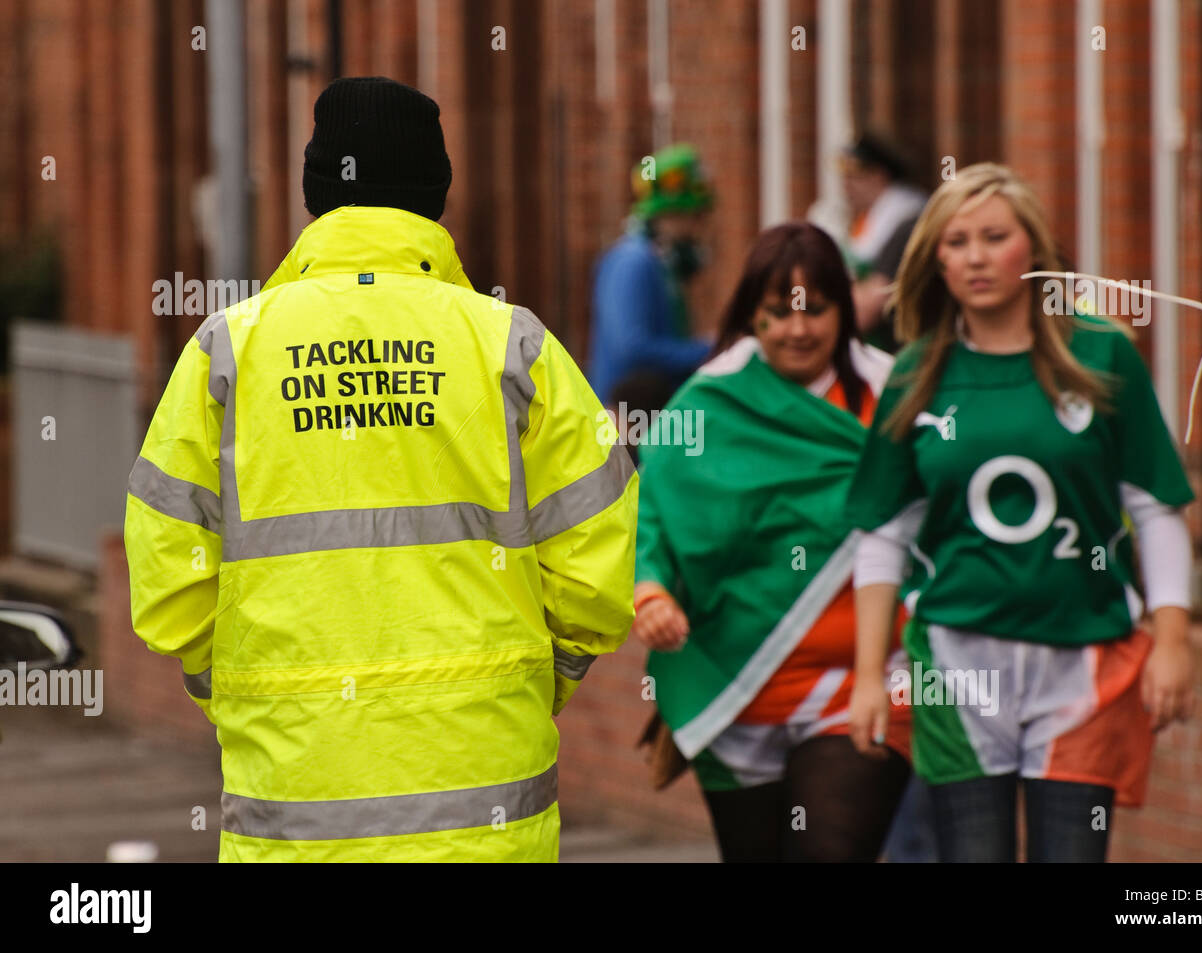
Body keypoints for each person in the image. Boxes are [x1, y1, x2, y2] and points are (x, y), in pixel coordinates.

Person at [123, 76, 638, 862]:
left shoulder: (228, 352)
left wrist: (238, 686)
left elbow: (167, 566)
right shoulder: (513, 347)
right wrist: (534, 678)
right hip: (485, 801)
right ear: (436, 196)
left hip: (294, 803)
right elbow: (597, 562)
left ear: (315, 195)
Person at [845, 162, 1196, 862]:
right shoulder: (917, 374)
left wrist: (1174, 636)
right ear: (935, 260)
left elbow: (1154, 509)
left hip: (1083, 660)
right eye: (955, 241)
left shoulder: (1101, 355)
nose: (975, 256)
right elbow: (884, 535)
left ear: (1031, 247)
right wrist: (866, 675)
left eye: (994, 236)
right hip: (955, 662)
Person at [632, 222, 912, 863]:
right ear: (749, 317)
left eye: (816, 310)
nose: (798, 330)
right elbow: (653, 521)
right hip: (733, 684)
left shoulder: (892, 399)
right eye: (776, 314)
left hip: (860, 684)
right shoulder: (701, 410)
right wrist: (652, 594)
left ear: (846, 310)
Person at [587, 144, 714, 404]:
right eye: (696, 216)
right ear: (670, 214)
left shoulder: (657, 262)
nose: (702, 228)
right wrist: (708, 350)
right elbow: (632, 349)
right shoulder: (634, 262)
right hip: (626, 425)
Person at [808, 131, 927, 352]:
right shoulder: (861, 218)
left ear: (878, 176)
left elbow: (865, 310)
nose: (846, 187)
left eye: (854, 177)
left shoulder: (907, 221)